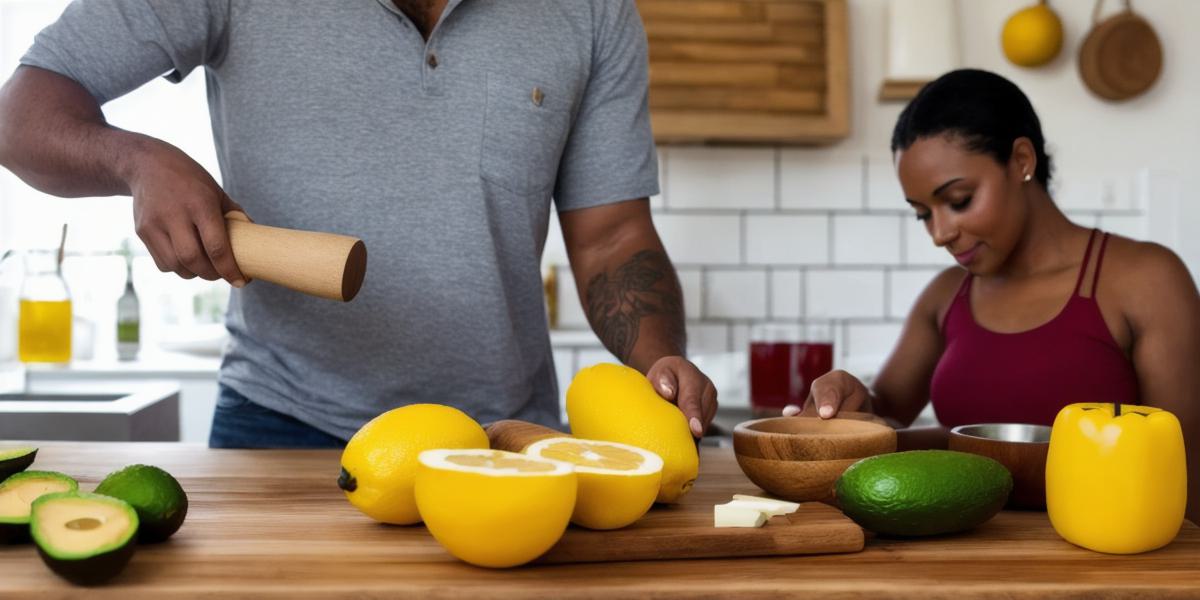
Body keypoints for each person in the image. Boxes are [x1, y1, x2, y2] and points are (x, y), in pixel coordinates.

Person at [0, 0, 717, 448]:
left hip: (505, 435)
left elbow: (613, 238)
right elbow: (20, 117)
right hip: (281, 423)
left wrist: (654, 364)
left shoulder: (592, 10)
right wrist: (133, 159)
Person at [784, 69, 1200, 521]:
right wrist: (847, 404)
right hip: (956, 562)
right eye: (922, 214)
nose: (940, 233)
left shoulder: (1146, 279)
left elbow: (1187, 469)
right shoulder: (946, 296)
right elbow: (885, 420)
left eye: (959, 200)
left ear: (1021, 160)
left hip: (1103, 566)